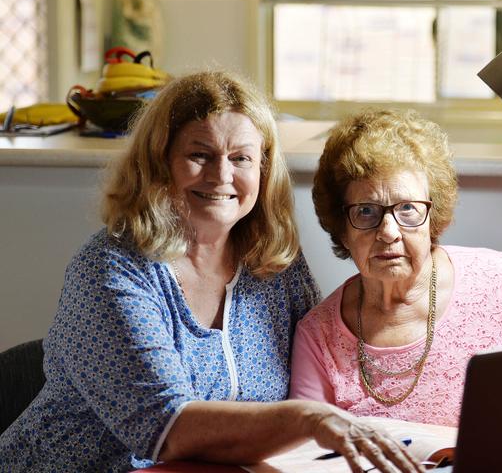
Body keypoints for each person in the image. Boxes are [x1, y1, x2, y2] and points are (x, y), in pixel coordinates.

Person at [0, 73, 425, 473]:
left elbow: (321, 360)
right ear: (160, 163)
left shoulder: (276, 264)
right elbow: (166, 430)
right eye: (199, 154)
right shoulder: (112, 270)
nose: (222, 175)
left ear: (262, 169)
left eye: (241, 158)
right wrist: (310, 419)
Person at [290, 109, 502, 426]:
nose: (388, 232)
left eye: (408, 209)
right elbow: (307, 456)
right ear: (342, 229)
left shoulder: (496, 277)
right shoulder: (318, 337)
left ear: (433, 217)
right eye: (366, 211)